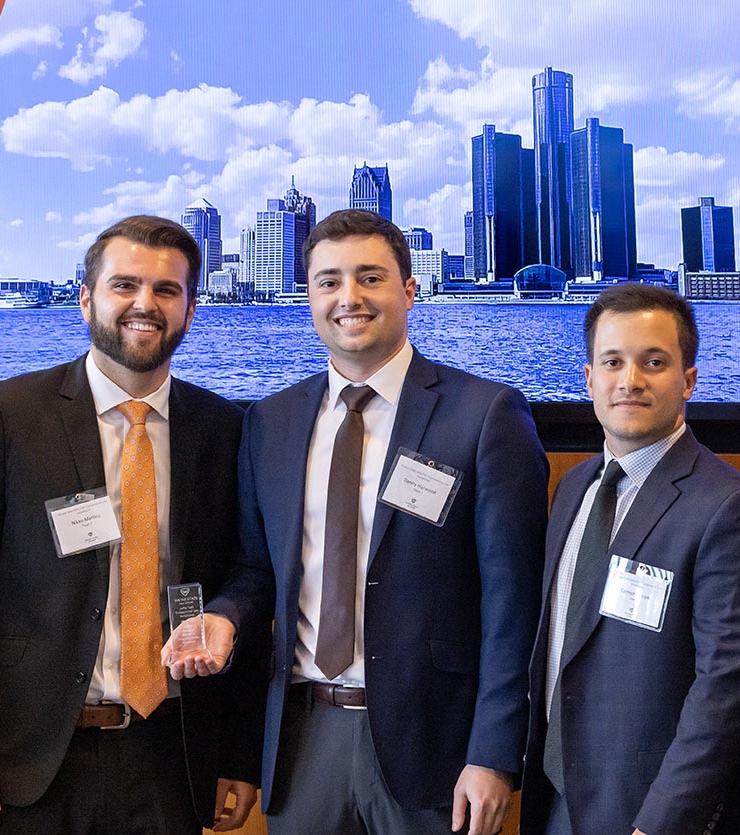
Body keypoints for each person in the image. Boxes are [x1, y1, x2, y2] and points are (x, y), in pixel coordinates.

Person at [164, 208, 550, 835]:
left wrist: (496, 752)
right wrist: (226, 615)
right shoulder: (271, 421)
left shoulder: (484, 415)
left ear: (409, 289)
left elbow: (514, 603)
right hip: (303, 738)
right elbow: (257, 568)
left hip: (438, 748)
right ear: (308, 296)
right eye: (328, 281)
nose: (349, 298)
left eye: (370, 277)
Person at [0, 215, 263, 834]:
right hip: (28, 761)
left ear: (190, 309)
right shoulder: (9, 416)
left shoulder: (223, 428)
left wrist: (237, 757)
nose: (144, 305)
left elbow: (243, 574)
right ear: (86, 299)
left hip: (171, 757)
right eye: (124, 285)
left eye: (167, 290)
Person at [520, 283, 740, 835]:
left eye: (654, 362)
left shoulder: (732, 509)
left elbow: (728, 692)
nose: (630, 380)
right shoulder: (574, 489)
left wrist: (661, 824)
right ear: (589, 377)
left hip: (655, 815)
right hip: (557, 801)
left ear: (689, 377)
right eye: (612, 361)